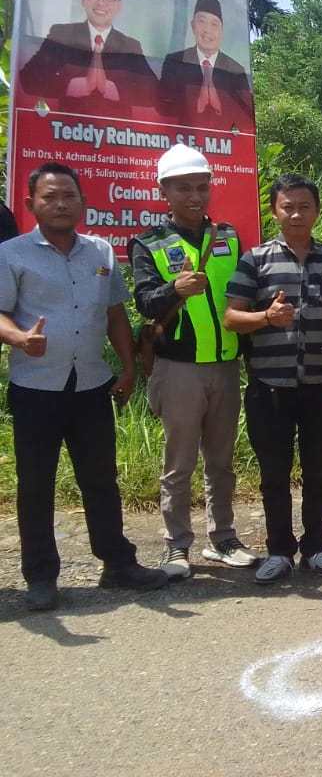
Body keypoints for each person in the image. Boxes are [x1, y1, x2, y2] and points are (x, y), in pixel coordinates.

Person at [0, 163, 169, 610]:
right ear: (30, 203)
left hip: (92, 383)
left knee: (100, 479)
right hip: (36, 387)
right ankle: (40, 577)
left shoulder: (101, 252)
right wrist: (19, 337)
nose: (60, 204)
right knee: (36, 485)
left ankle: (117, 564)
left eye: (68, 196)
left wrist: (129, 367)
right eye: (50, 196)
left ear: (82, 202)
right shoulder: (11, 254)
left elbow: (115, 314)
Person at [131, 144, 257, 580]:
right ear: (164, 190)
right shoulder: (149, 244)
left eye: (202, 187)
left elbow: (243, 297)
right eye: (184, 188)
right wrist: (175, 290)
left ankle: (222, 539)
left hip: (225, 366)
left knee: (221, 461)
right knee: (179, 464)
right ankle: (176, 547)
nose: (195, 196)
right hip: (179, 370)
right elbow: (146, 302)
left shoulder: (228, 236)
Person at [223, 174, 322, 584]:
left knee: (320, 472)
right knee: (274, 475)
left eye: (304, 207)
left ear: (317, 211)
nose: (296, 214)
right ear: (274, 211)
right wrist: (266, 317)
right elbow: (231, 318)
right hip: (269, 388)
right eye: (288, 207)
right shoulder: (255, 259)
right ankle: (279, 550)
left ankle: (316, 547)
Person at [18, 0, 157, 117]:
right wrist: (72, 85)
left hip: (119, 134)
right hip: (67, 131)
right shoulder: (62, 35)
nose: (100, 2)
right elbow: (28, 79)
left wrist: (113, 88)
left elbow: (153, 93)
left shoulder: (129, 46)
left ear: (118, 6)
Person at [158, 0, 255, 133]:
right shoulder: (175, 62)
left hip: (224, 147)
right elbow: (162, 107)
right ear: (193, 26)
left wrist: (221, 104)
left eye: (214, 24)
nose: (207, 30)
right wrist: (193, 102)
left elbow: (246, 118)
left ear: (222, 31)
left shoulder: (235, 70)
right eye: (201, 21)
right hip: (182, 144)